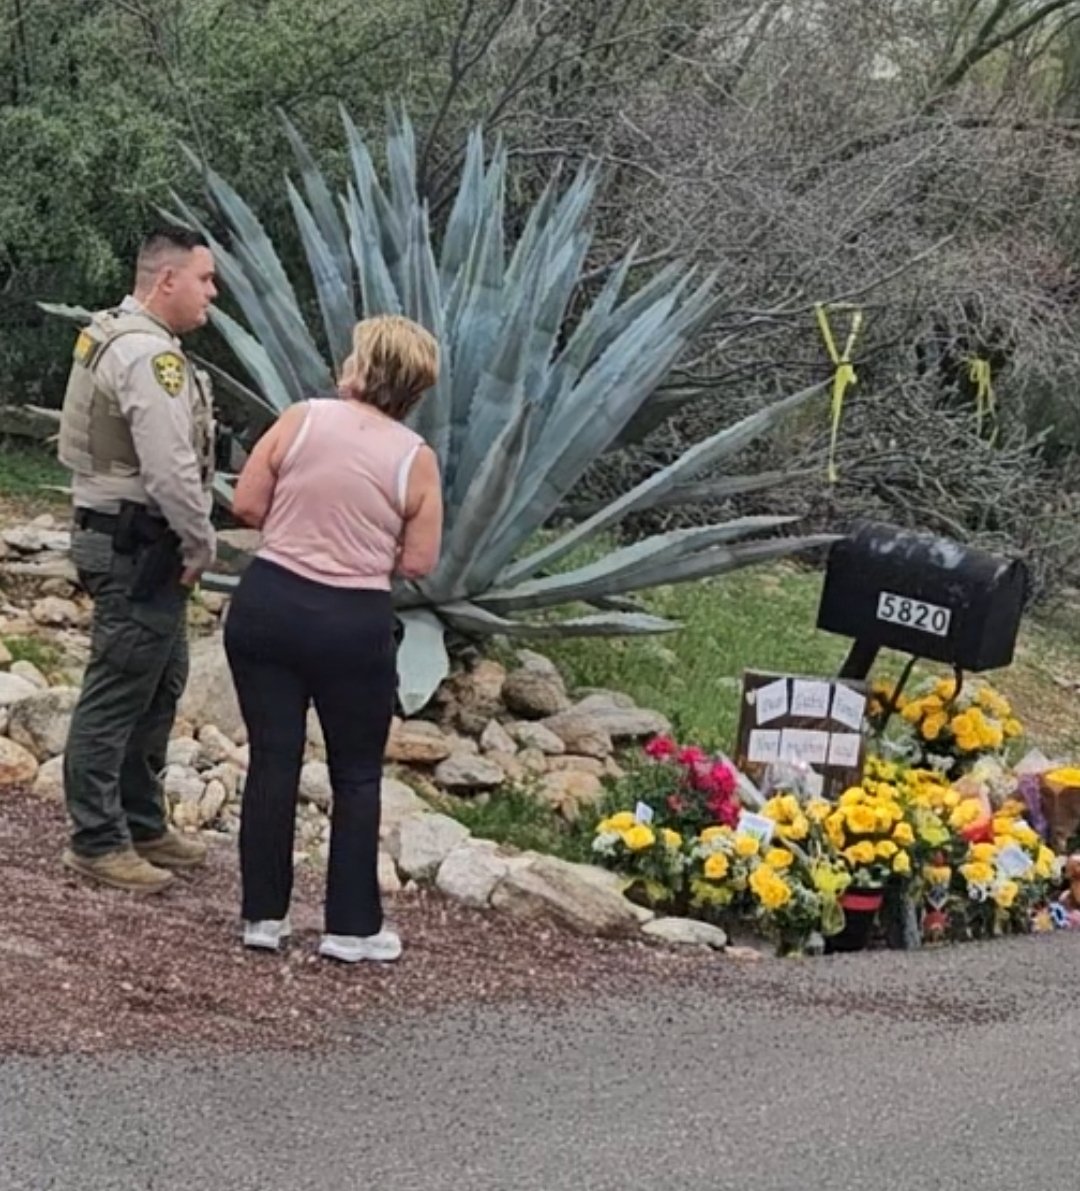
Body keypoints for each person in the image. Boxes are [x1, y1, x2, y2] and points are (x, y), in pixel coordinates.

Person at [225, 314, 442, 963]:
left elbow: (245, 503)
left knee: (273, 758)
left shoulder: (301, 418)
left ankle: (263, 915)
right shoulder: (415, 459)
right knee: (354, 773)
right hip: (352, 622)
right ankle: (351, 926)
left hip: (269, 603)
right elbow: (419, 561)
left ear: (364, 365)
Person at [57, 226, 218, 894]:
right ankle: (97, 839)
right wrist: (200, 539)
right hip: (139, 543)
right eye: (205, 279)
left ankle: (142, 819)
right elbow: (171, 466)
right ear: (167, 280)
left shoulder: (112, 332)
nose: (213, 292)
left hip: (126, 536)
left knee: (160, 680)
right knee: (119, 690)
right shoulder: (151, 357)